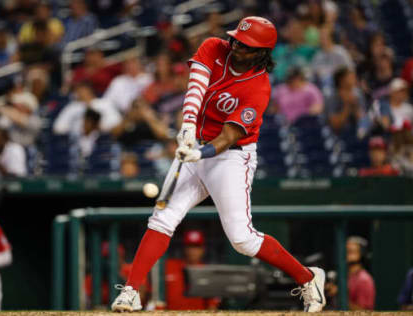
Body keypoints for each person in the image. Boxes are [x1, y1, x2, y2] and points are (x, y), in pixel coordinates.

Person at [111, 16, 326, 313]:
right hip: (193, 145)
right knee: (161, 218)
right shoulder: (214, 46)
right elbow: (196, 87)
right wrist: (187, 126)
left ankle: (308, 277)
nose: (236, 45)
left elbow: (227, 137)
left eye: (245, 44)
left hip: (231, 158)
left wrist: (199, 154)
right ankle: (131, 291)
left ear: (261, 52)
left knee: (242, 240)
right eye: (237, 38)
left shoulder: (258, 88)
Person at [165, 230, 220, 310]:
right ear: (184, 248)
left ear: (203, 249)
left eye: (196, 246)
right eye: (190, 246)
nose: (193, 251)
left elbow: (212, 307)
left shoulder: (208, 272)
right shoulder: (169, 266)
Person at [346, 236, 375, 310]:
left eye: (350, 251)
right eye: (345, 251)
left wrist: (339, 296)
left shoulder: (364, 279)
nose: (346, 254)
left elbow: (364, 311)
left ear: (361, 254)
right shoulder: (345, 276)